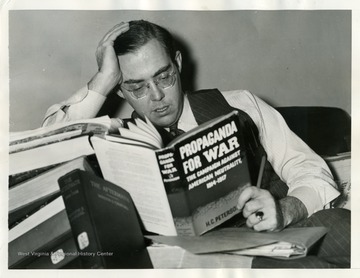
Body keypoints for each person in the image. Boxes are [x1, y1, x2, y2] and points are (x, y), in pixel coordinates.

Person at [43, 20, 349, 267]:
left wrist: (287, 209)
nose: (157, 95)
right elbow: (42, 156)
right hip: (210, 265)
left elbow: (309, 168)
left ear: (177, 64)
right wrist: (103, 80)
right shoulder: (116, 142)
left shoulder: (240, 104)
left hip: (285, 232)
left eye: (164, 77)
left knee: (343, 227)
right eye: (137, 87)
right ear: (120, 91)